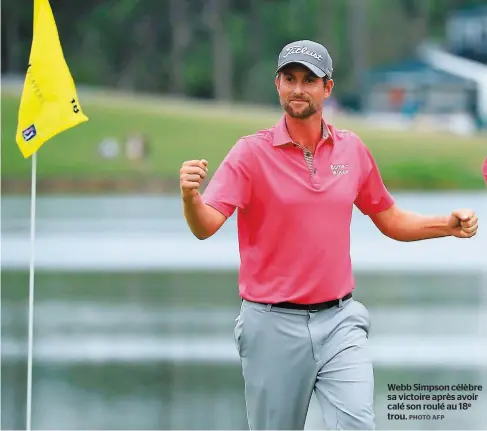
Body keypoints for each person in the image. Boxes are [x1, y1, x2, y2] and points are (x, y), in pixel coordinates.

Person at [179, 40, 479, 430]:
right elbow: (206, 226)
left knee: (357, 424)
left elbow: (389, 219)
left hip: (340, 321)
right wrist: (190, 197)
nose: (298, 88)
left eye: (309, 80)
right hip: (271, 325)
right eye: (290, 78)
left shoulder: (351, 150)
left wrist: (446, 225)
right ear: (278, 84)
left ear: (328, 88)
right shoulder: (249, 154)